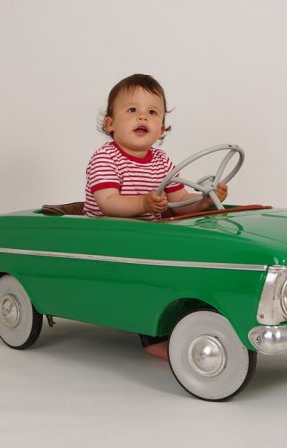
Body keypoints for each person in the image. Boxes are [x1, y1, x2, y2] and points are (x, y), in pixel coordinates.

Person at [84, 74, 228, 360]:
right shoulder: (105, 158)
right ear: (110, 124)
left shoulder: (162, 162)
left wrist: (204, 199)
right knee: (150, 281)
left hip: (147, 237)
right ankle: (152, 336)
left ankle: (195, 316)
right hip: (106, 236)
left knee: (183, 263)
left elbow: (179, 202)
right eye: (132, 110)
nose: (143, 117)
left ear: (161, 128)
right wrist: (145, 202)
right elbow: (108, 203)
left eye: (152, 112)